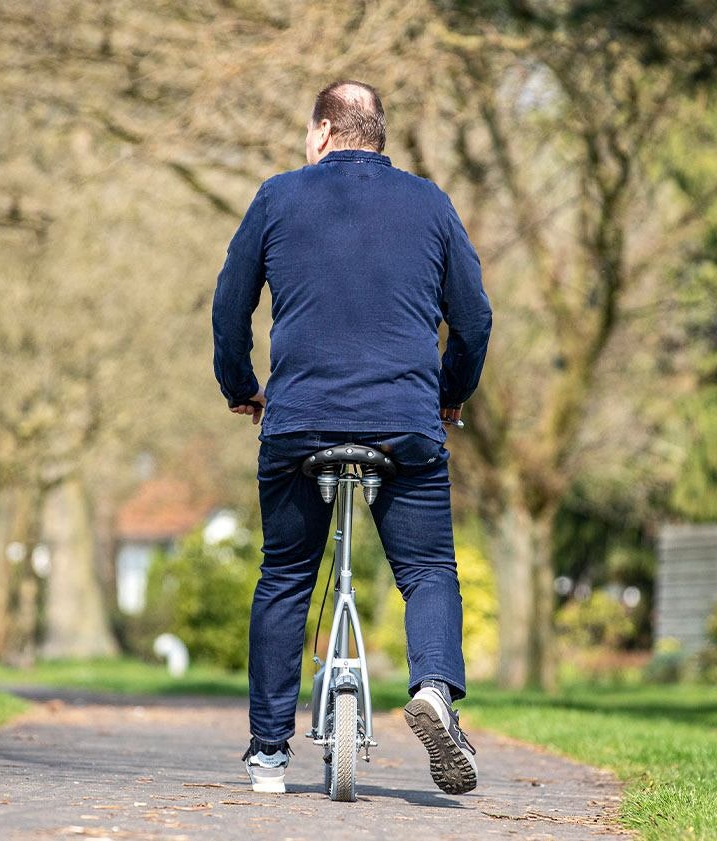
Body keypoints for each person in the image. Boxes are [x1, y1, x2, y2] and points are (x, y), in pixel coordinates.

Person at [211, 80, 492, 796]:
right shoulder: (429, 203)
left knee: (283, 577)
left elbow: (229, 305)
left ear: (322, 133)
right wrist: (449, 394)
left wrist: (240, 385)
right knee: (427, 570)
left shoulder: (277, 196)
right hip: (404, 422)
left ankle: (269, 756)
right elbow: (474, 317)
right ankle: (432, 687)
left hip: (298, 420)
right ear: (378, 135)